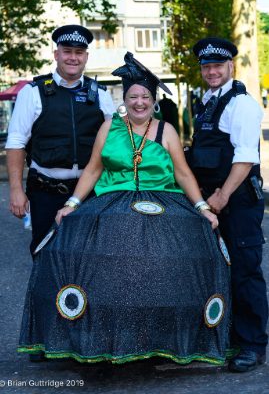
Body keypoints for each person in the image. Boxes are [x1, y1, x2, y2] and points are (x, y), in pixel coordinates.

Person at [18, 52, 231, 366]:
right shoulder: (109, 127)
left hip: (164, 202)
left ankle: (161, 338)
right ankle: (105, 337)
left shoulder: (166, 131)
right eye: (133, 96)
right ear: (124, 98)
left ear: (153, 100)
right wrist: (71, 204)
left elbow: (183, 173)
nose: (139, 103)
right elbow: (92, 170)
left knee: (163, 269)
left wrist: (201, 207)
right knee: (105, 267)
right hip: (112, 201)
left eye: (145, 96)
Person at [187, 37, 268, 372]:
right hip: (213, 205)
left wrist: (219, 198)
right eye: (206, 66)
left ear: (230, 66)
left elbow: (245, 158)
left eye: (218, 65)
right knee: (221, 271)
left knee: (245, 273)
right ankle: (231, 338)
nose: (212, 71)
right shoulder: (207, 101)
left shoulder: (243, 104)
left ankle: (252, 344)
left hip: (236, 204)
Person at [5, 24, 115, 255]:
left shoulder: (102, 95)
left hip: (91, 193)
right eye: (67, 51)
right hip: (46, 192)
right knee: (45, 254)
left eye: (78, 52)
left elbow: (114, 143)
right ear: (56, 54)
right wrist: (16, 189)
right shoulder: (33, 92)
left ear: (86, 56)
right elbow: (16, 143)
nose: (72, 58)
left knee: (91, 257)